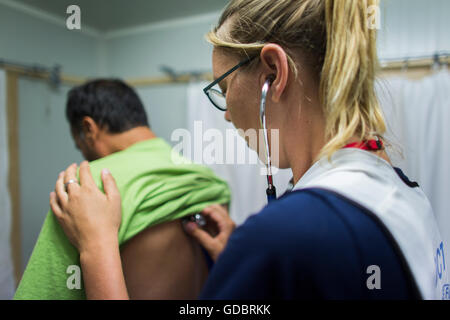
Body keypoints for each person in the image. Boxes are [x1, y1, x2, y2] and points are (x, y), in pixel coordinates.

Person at [49, 0, 448, 300]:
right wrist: (249, 268)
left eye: (223, 90)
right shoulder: (404, 191)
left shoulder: (284, 234)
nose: (225, 117)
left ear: (273, 74)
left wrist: (96, 246)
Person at [14, 79, 231, 300]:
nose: (84, 155)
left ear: (88, 128)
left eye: (81, 146)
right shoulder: (207, 180)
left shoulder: (88, 187)